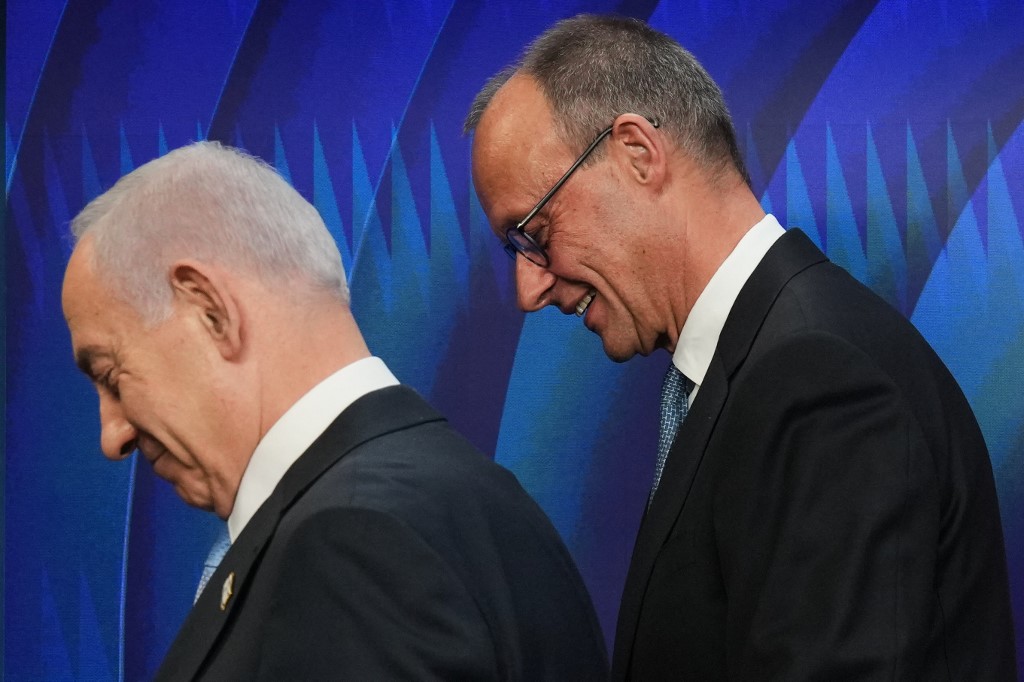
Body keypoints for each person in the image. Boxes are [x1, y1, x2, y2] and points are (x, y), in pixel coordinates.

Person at [465, 14, 1017, 680]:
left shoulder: (819, 380)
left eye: (534, 232)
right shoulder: (764, 364)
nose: (528, 290)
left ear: (637, 154)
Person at [61, 141, 608, 681]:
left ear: (210, 311)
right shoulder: (462, 496)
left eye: (110, 375)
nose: (113, 436)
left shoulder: (349, 544)